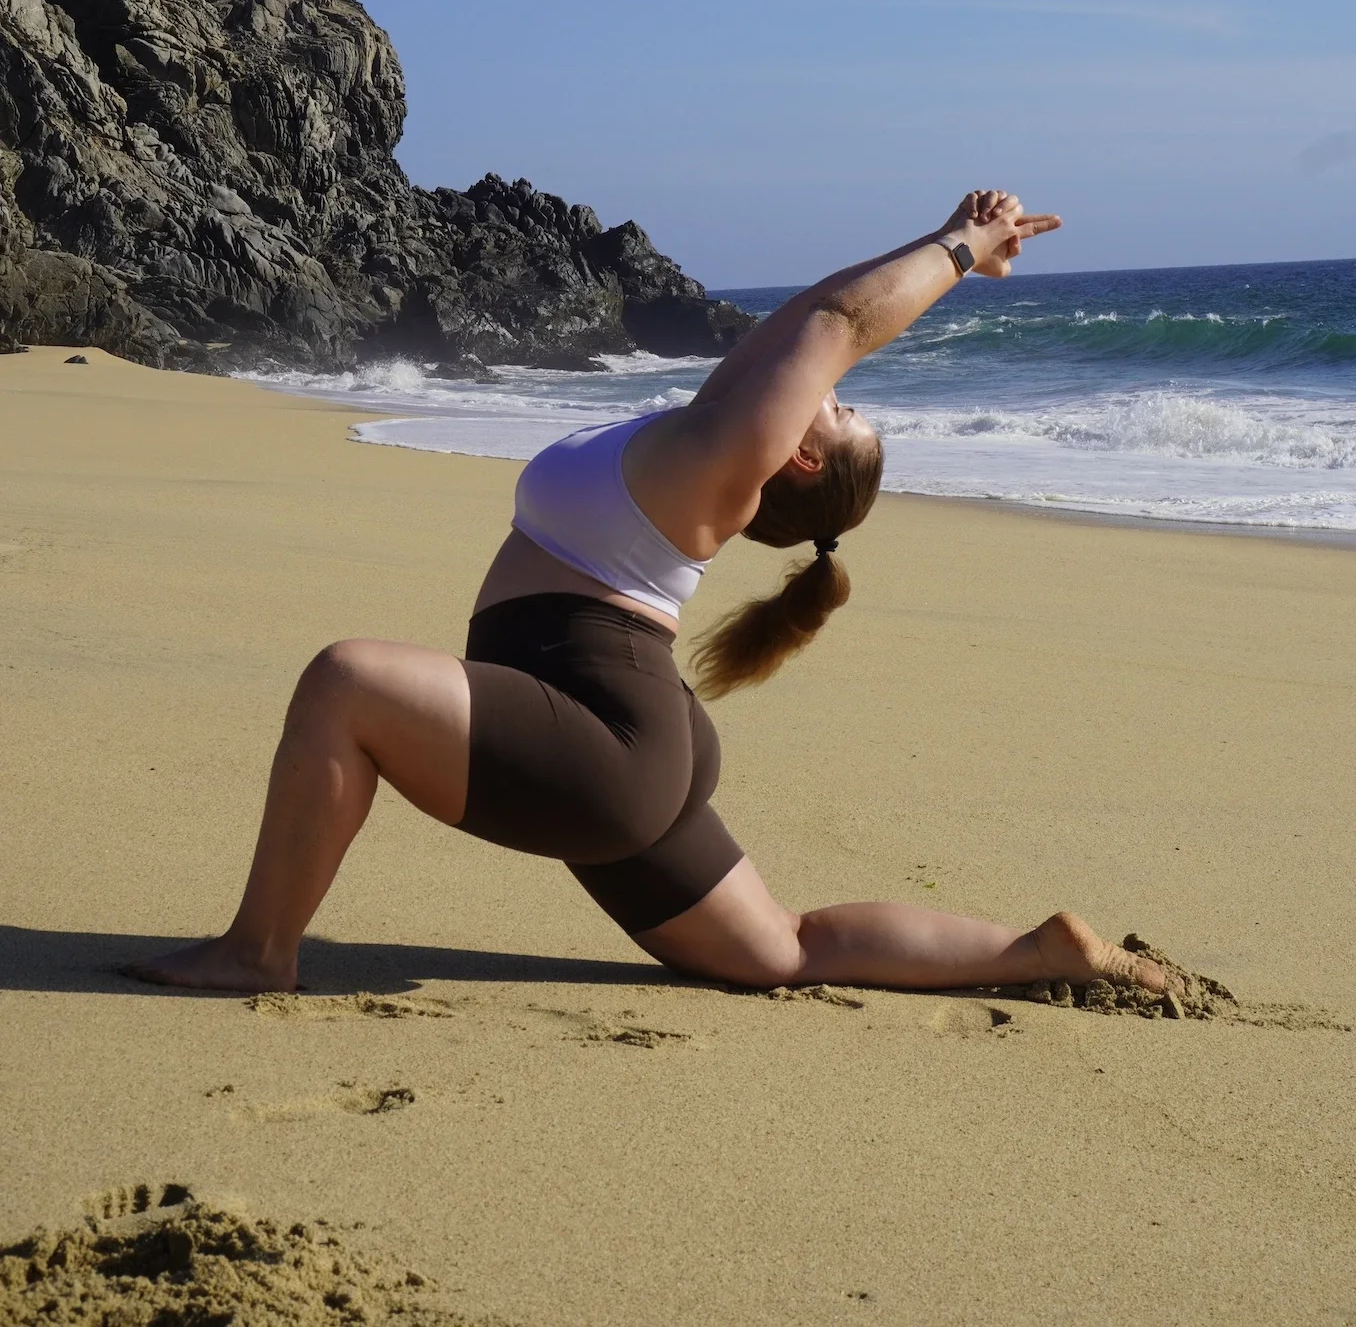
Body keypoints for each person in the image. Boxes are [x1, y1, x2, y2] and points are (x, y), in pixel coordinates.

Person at [133, 190, 1171, 999]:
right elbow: (811, 312)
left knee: (343, 682)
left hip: (602, 732)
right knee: (781, 950)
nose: (832, 390)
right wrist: (946, 234)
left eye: (840, 410)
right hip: (612, 721)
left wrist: (954, 249)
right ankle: (1032, 951)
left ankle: (258, 952)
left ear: (801, 462)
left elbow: (840, 321)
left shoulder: (727, 456)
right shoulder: (713, 425)